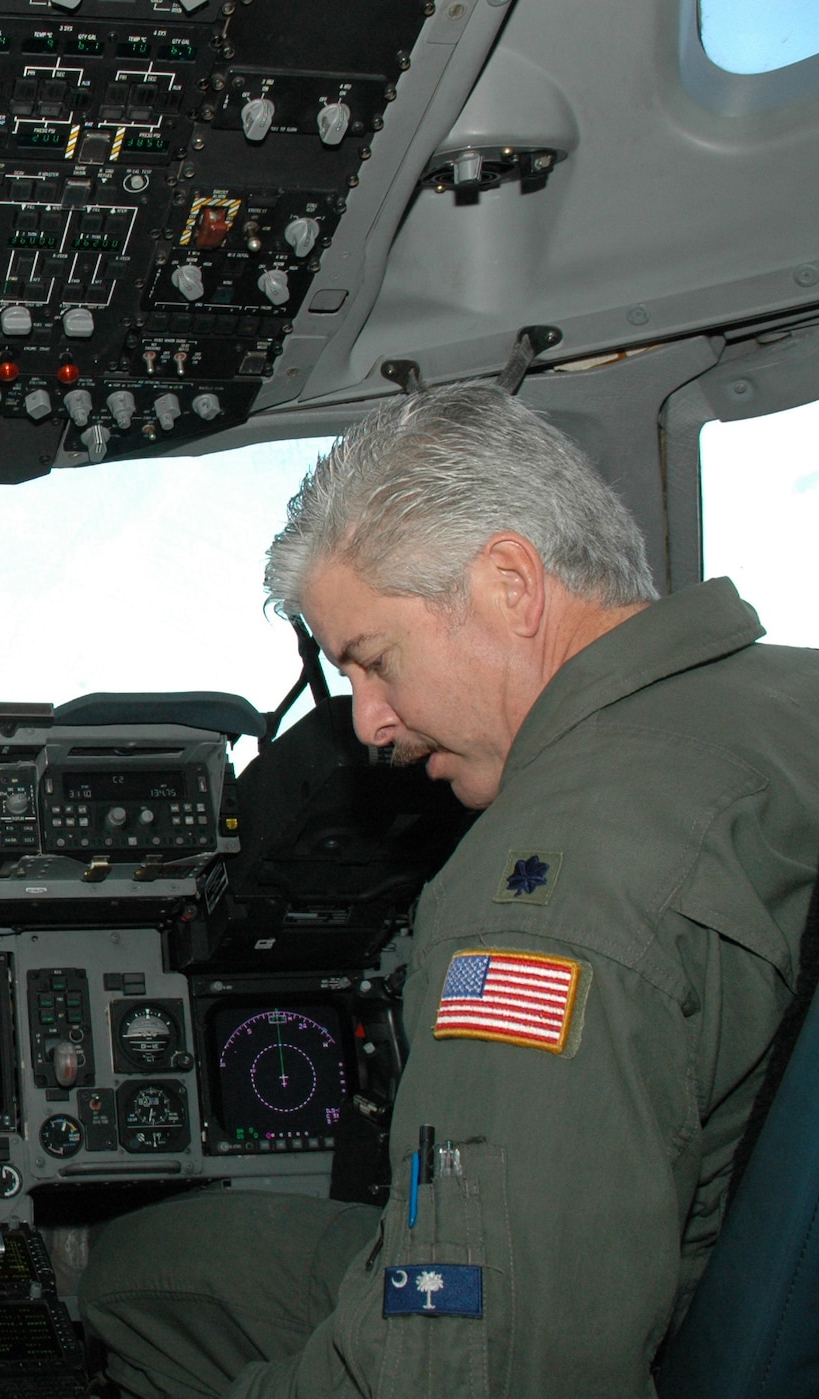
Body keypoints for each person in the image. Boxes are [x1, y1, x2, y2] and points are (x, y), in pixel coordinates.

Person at [80, 383, 819, 1397]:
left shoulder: (539, 896)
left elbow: (479, 1360)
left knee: (117, 1285)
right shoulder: (789, 699)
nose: (370, 724)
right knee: (155, 1266)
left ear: (511, 584)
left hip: (647, 1320)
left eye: (373, 661)